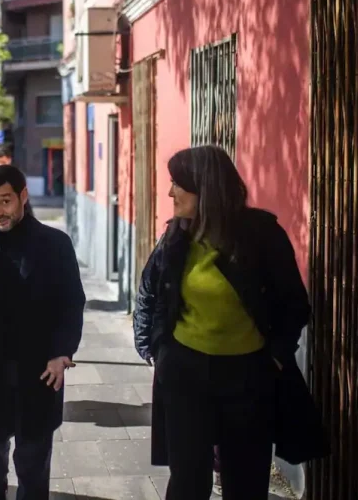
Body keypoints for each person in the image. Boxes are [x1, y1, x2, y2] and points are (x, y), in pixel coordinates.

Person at [132, 145, 312, 500]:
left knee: (245, 481)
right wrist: (155, 349)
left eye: (178, 183)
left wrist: (275, 356)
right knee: (187, 481)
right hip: (185, 373)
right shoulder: (175, 237)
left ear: (206, 187)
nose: (170, 192)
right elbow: (150, 291)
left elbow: (294, 304)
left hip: (248, 376)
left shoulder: (261, 235)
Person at [0, 164, 85, 500]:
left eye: (5, 201)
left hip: (40, 369)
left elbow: (71, 303)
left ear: (23, 197)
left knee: (33, 465)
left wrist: (62, 353)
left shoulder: (56, 244)